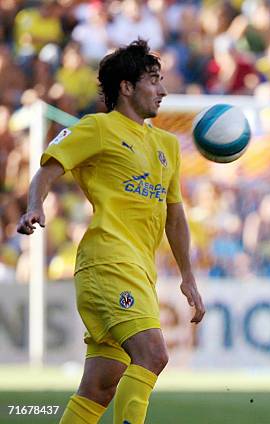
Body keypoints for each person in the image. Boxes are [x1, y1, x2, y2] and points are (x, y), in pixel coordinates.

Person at [17, 39, 205, 423]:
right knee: (153, 355)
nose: (163, 91)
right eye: (153, 80)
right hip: (106, 262)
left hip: (139, 270)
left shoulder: (167, 143)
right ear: (126, 86)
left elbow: (175, 215)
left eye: (162, 80)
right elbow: (48, 170)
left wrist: (188, 275)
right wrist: (35, 204)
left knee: (100, 386)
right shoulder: (98, 128)